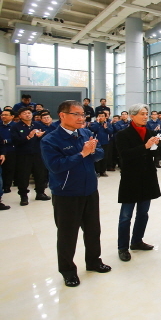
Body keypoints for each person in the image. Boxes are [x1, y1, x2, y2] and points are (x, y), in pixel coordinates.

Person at [40, 100, 111, 287]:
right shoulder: (50, 140)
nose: (82, 118)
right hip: (67, 193)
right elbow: (55, 166)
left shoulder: (86, 133)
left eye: (83, 115)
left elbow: (100, 154)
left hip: (89, 190)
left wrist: (93, 151)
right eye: (77, 114)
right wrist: (82, 154)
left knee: (93, 230)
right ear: (62, 115)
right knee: (67, 235)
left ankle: (94, 261)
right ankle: (68, 271)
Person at [115, 103, 161, 262]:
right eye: (142, 113)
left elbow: (152, 154)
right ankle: (122, 247)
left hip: (147, 177)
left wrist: (155, 146)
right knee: (126, 215)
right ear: (132, 116)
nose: (145, 116)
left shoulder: (149, 131)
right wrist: (145, 146)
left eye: (146, 113)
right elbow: (125, 155)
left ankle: (137, 241)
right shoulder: (123, 134)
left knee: (143, 213)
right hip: (131, 178)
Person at [11, 107, 49, 205]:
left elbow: (47, 136)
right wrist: (28, 136)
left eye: (29, 113)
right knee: (23, 176)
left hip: (38, 153)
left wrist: (42, 135)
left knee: (40, 174)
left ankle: (40, 193)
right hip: (23, 155)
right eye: (25, 113)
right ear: (19, 116)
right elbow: (15, 141)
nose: (28, 114)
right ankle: (23, 196)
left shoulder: (37, 124)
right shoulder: (16, 127)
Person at [89, 112, 114, 177]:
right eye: (99, 116)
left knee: (105, 157)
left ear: (105, 117)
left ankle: (103, 171)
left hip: (106, 143)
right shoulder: (95, 123)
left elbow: (111, 131)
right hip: (97, 143)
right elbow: (93, 129)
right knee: (97, 157)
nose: (101, 117)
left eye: (102, 116)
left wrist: (106, 128)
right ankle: (97, 171)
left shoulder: (108, 124)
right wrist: (97, 122)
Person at [0, 109, 16, 194]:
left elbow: (17, 138)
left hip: (11, 150)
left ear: (12, 116)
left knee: (9, 169)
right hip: (1, 150)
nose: (3, 116)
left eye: (6, 115)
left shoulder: (15, 126)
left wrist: (6, 141)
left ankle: (7, 186)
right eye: (2, 115)